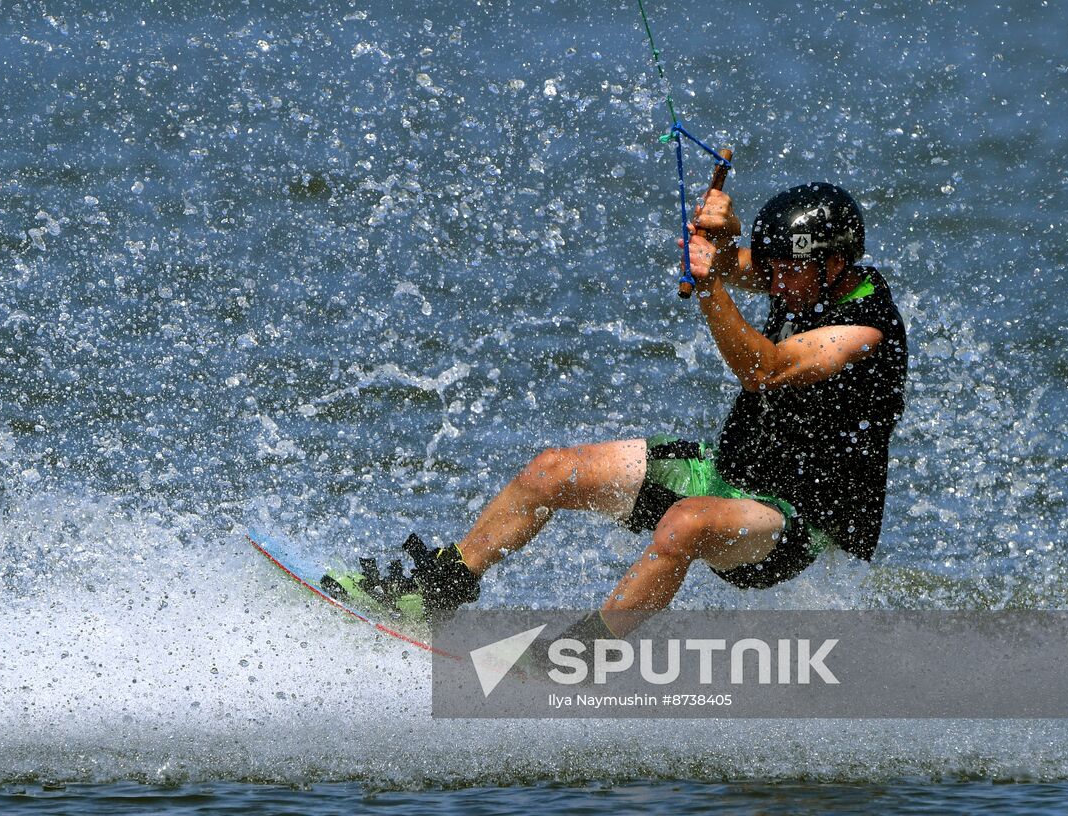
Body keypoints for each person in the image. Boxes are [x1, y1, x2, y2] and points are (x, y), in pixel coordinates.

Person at [322, 182, 908, 636]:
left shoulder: (864, 326)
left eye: (788, 268)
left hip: (803, 523)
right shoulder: (801, 278)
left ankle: (571, 661)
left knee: (685, 523)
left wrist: (709, 285)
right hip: (731, 473)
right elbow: (733, 265)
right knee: (552, 471)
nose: (775, 279)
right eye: (772, 264)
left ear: (834, 264)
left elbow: (764, 370)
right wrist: (721, 240)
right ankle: (434, 592)